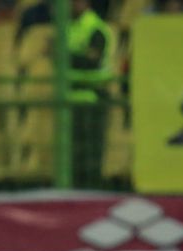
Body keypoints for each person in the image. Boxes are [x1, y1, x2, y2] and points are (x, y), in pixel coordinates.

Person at [68, 0, 112, 188]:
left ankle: (91, 189)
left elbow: (92, 61)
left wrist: (62, 54)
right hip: (71, 98)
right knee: (74, 153)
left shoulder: (96, 29)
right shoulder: (69, 28)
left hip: (93, 97)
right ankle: (75, 191)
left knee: (91, 153)